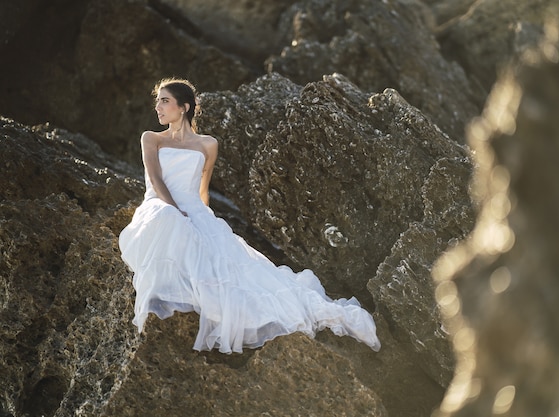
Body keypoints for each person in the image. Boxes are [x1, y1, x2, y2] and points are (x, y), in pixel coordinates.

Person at [118, 78, 381, 353]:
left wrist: (205, 222)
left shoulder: (208, 144)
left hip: (192, 209)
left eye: (164, 100)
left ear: (183, 108)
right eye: (157, 100)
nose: (157, 106)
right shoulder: (152, 138)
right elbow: (156, 179)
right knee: (168, 220)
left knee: (229, 266)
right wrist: (176, 209)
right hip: (158, 204)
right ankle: (164, 297)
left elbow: (201, 191)